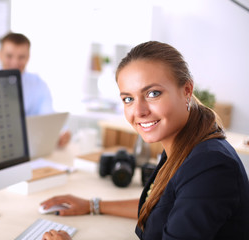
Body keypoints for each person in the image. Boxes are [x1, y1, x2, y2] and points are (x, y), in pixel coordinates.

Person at [40, 41, 249, 240]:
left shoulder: (210, 166)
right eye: (128, 99)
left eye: (153, 93)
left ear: (186, 90)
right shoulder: (185, 144)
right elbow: (164, 206)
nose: (138, 111)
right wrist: (93, 205)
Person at [0, 32, 71, 148]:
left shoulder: (38, 83)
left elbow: (48, 115)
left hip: (30, 147)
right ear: (0, 55)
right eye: (9, 56)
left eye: (21, 57)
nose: (15, 62)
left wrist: (62, 131)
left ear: (28, 57)